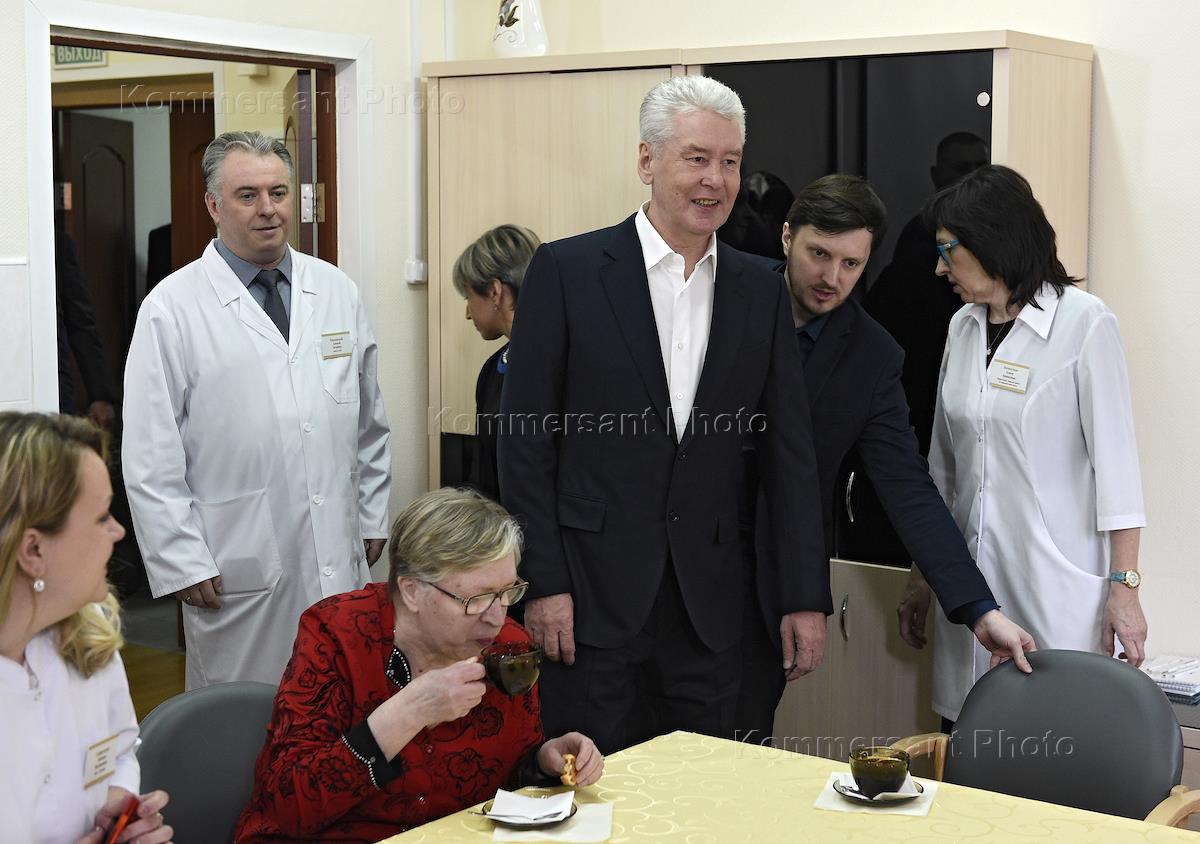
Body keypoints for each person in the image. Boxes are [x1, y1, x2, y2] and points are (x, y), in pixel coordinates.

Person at [498, 76, 827, 754]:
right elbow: (525, 445)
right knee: (587, 787)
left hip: (712, 606)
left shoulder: (760, 289)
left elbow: (789, 455)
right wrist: (542, 583)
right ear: (647, 161)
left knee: (700, 787)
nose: (715, 180)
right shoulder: (566, 271)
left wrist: (804, 594)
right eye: (696, 158)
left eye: (729, 161)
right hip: (588, 599)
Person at [734, 175, 1035, 744]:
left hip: (768, 585)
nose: (832, 278)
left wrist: (978, 609)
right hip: (668, 572)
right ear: (787, 237)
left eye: (851, 263)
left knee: (738, 751)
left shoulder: (872, 357)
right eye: (819, 254)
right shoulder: (725, 293)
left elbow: (908, 488)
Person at [122, 131, 392, 689]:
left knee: (342, 706)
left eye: (278, 192)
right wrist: (180, 559)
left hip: (338, 555)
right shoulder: (171, 308)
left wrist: (370, 516)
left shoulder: (335, 290)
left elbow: (369, 424)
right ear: (213, 205)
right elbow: (150, 453)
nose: (268, 209)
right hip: (236, 567)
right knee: (246, 718)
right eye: (247, 195)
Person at [908, 164, 1147, 724]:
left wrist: (1125, 589)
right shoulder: (962, 327)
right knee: (966, 736)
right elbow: (942, 467)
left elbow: (1118, 471)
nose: (939, 268)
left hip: (1054, 590)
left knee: (1049, 740)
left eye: (947, 250)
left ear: (993, 239)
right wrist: (924, 576)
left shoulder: (1084, 323)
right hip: (970, 591)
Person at [235, 487, 603, 842]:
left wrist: (543, 761)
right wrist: (410, 712)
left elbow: (504, 780)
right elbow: (289, 807)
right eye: (476, 598)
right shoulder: (336, 634)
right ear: (411, 590)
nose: (497, 617)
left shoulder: (510, 648)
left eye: (507, 592)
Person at [0, 412, 172, 844]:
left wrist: (117, 821)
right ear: (33, 551)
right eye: (100, 517)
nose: (118, 531)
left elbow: (119, 753)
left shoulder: (87, 637)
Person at [452, 224, 541, 502]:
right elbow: (484, 475)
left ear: (494, 291)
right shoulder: (493, 370)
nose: (467, 313)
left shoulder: (561, 363)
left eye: (468, 297)